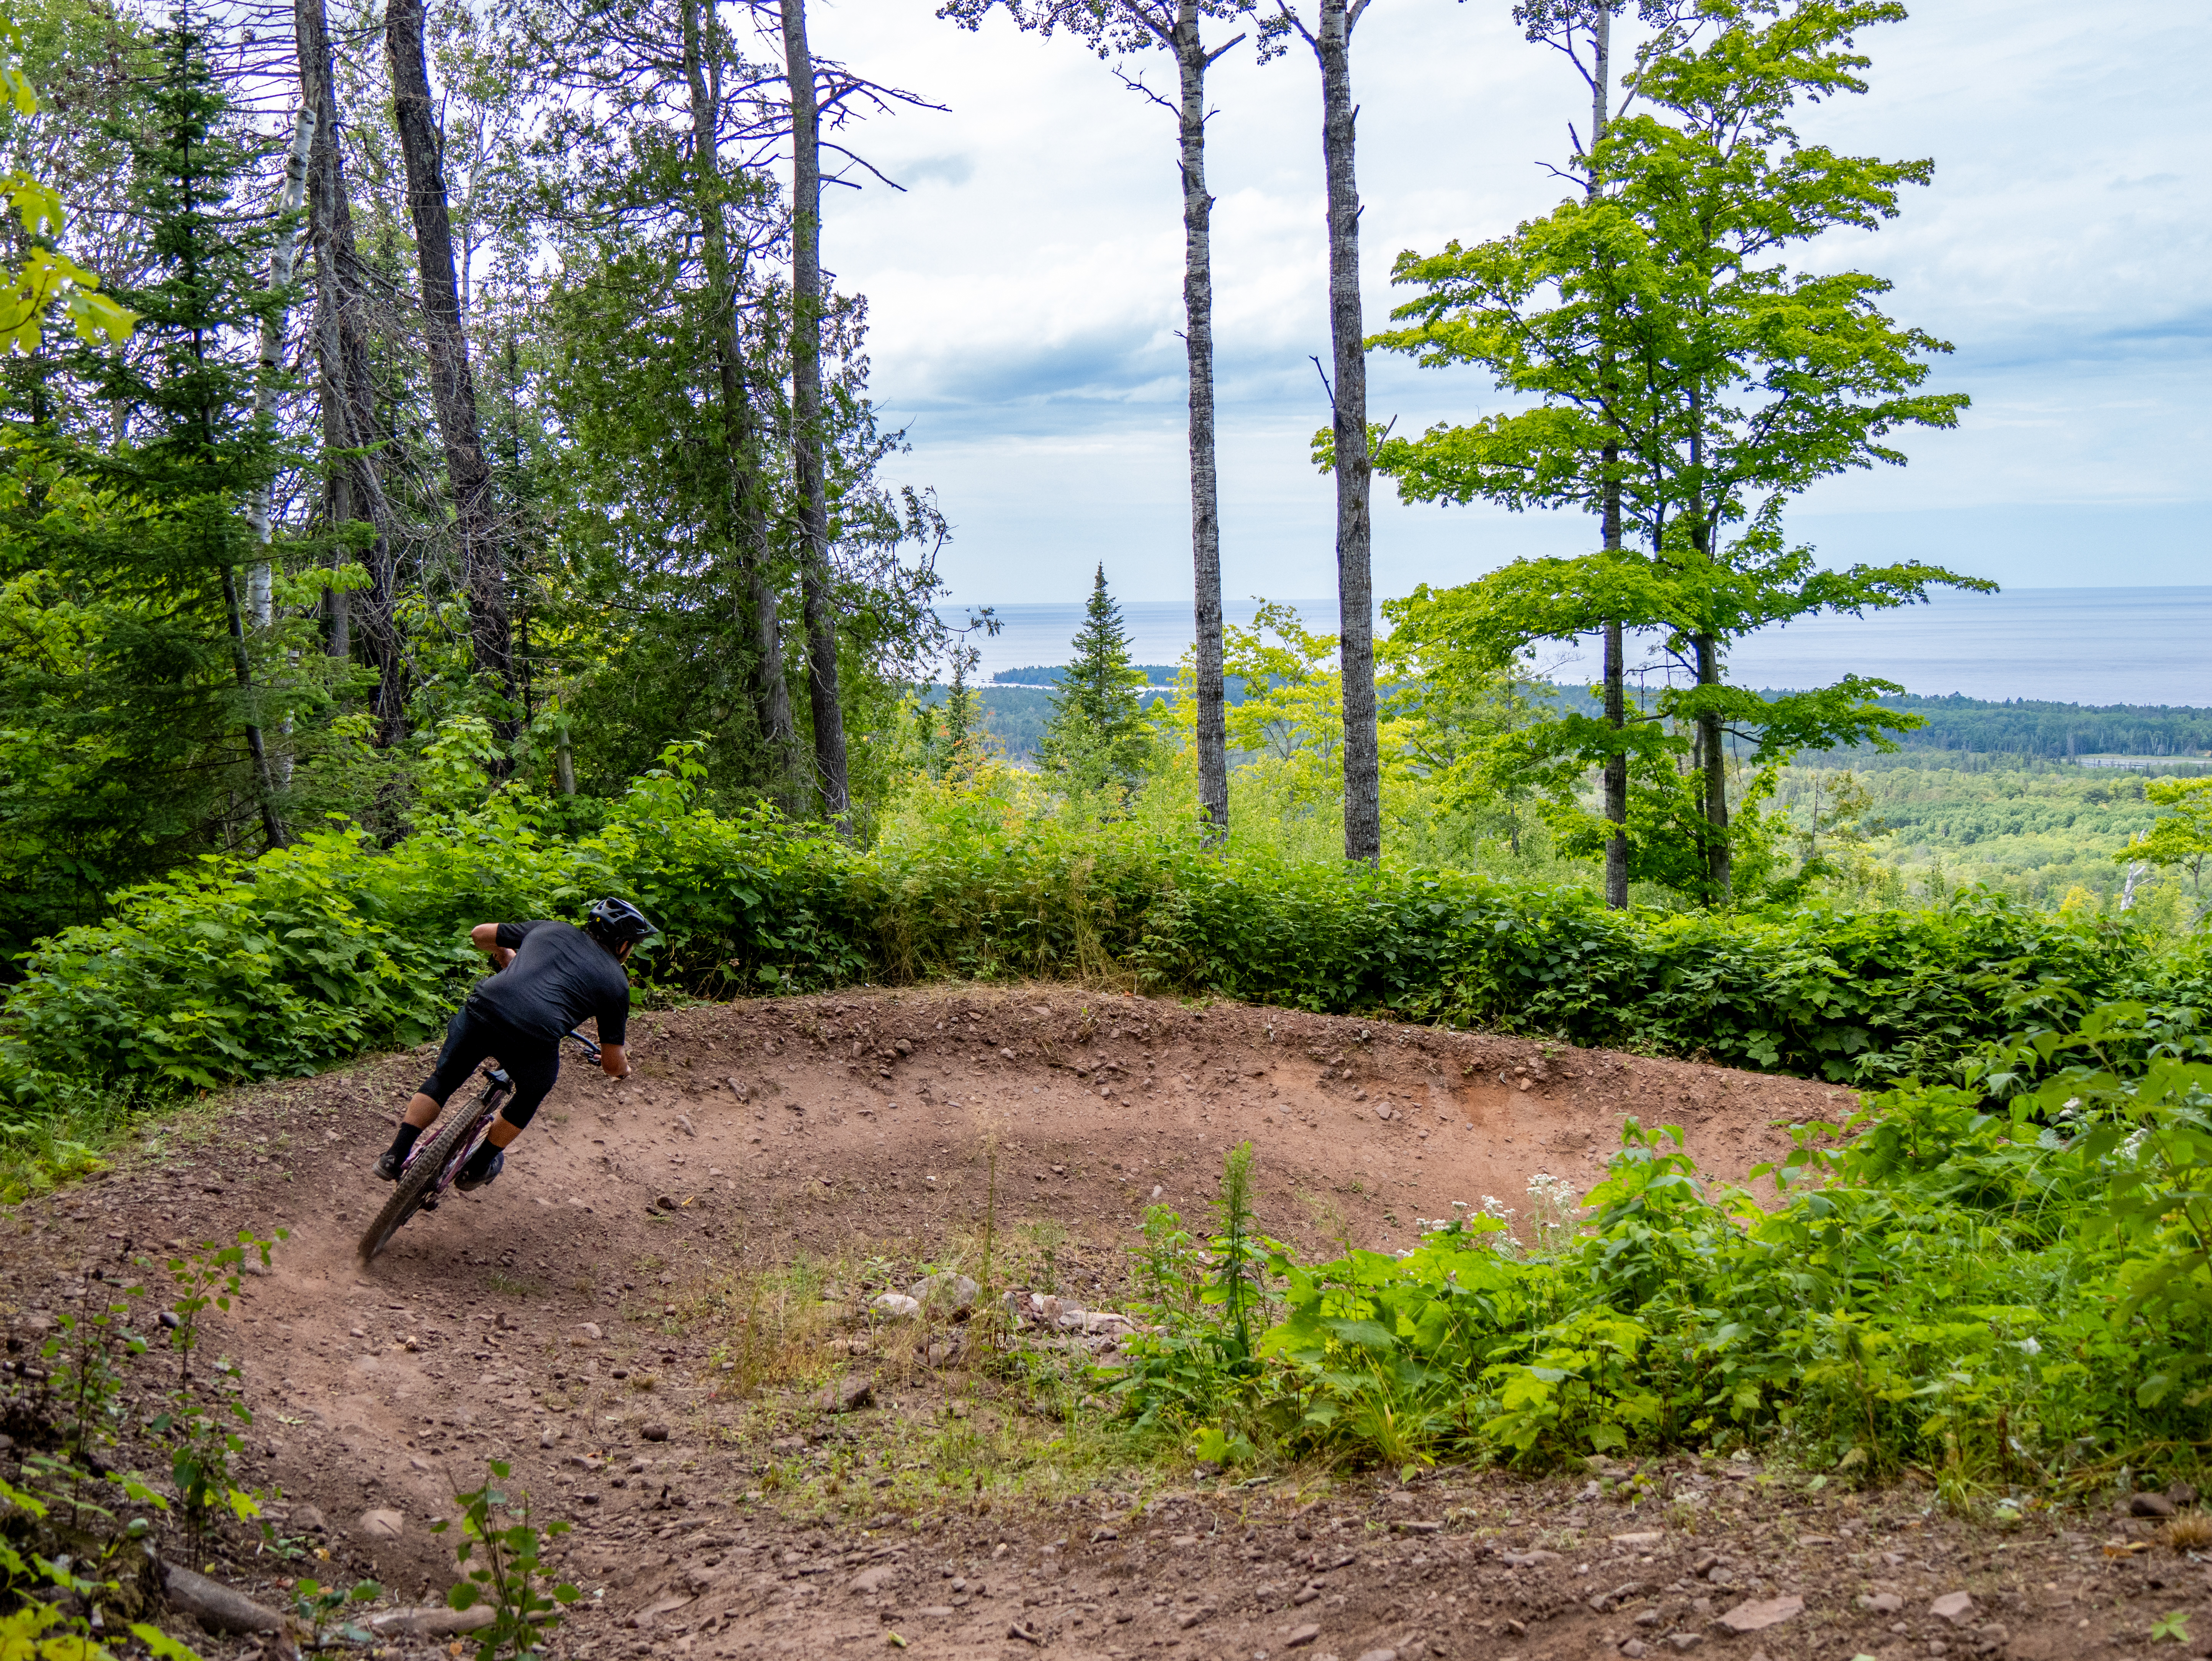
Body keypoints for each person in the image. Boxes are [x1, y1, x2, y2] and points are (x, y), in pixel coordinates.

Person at [375, 898, 654, 1191]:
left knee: (444, 1080)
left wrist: (507, 954)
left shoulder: (550, 929)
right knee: (532, 1093)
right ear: (623, 945)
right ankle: (479, 1166)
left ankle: (394, 1156)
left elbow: (480, 934)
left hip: (482, 1009)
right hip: (533, 1037)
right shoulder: (616, 982)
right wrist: (624, 1071)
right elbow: (612, 1063)